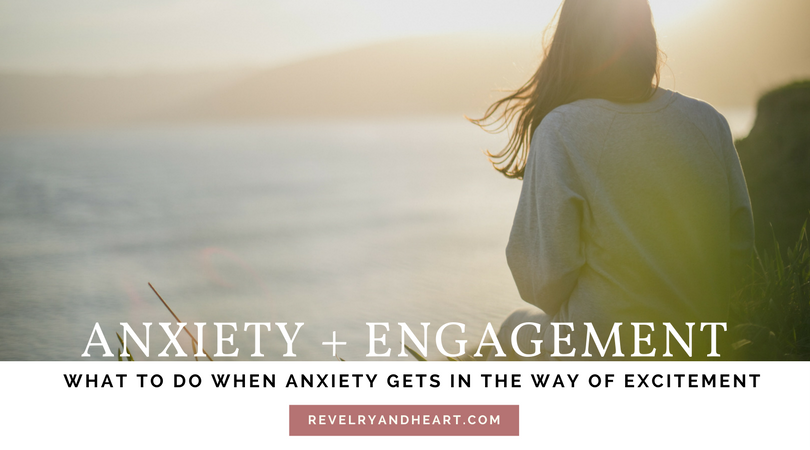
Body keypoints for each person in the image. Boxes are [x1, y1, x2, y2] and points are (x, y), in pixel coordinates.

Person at [470, 0, 754, 360]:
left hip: (605, 350)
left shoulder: (561, 129)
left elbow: (541, 283)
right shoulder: (709, 121)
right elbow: (740, 251)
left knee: (512, 329)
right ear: (646, 35)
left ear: (571, 44)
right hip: (700, 342)